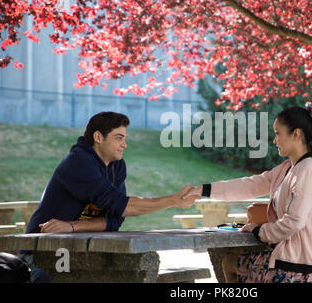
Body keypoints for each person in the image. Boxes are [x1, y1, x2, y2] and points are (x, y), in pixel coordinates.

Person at [21, 111, 198, 282]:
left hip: (81, 248)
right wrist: (173, 200)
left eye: (124, 138)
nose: (124, 144)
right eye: (118, 138)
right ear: (98, 137)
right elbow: (123, 206)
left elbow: (115, 218)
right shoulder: (78, 162)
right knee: (59, 277)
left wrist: (72, 226)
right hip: (44, 248)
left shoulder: (117, 166)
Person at [186, 106, 312, 283]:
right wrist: (203, 190)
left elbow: (293, 223)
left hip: (296, 268)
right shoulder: (287, 168)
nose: (275, 140)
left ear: (296, 134)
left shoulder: (306, 169)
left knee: (229, 263)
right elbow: (249, 186)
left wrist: (259, 231)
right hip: (290, 258)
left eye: (278, 133)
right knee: (229, 261)